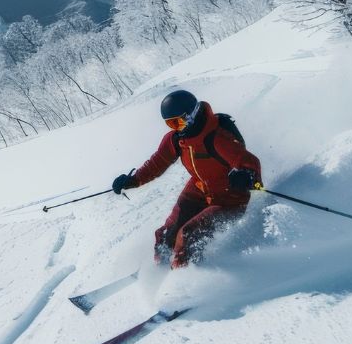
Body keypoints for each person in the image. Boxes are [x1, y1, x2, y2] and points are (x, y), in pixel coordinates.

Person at [111, 89, 262, 268]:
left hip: (228, 198)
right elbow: (157, 162)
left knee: (187, 235)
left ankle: (182, 278)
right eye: (170, 124)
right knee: (166, 233)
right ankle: (162, 267)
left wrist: (246, 176)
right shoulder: (176, 139)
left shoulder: (216, 137)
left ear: (193, 114)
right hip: (200, 189)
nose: (176, 129)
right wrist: (132, 180)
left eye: (179, 122)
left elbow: (249, 162)